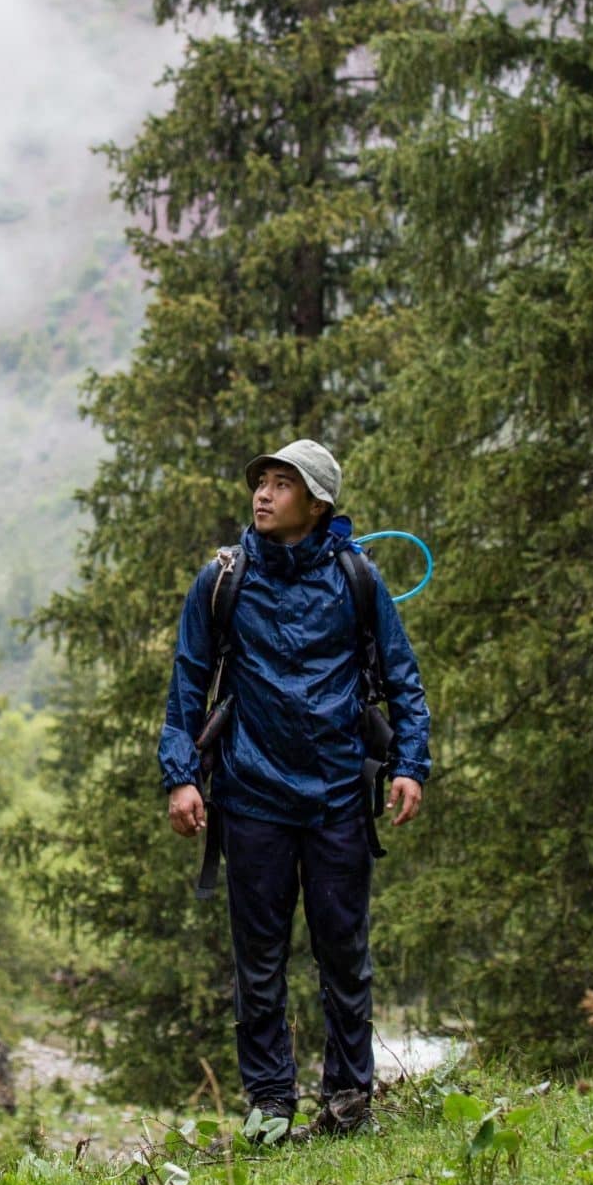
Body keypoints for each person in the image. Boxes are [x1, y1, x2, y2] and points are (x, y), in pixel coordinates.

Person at [159, 439, 432, 1140]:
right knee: (260, 958)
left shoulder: (357, 578)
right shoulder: (224, 578)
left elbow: (402, 677)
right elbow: (188, 682)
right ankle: (271, 1105)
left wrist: (409, 764)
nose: (263, 494)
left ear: (316, 504)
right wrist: (181, 777)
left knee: (344, 953)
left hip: (339, 794)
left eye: (283, 485)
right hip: (250, 797)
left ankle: (348, 1101)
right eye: (261, 482)